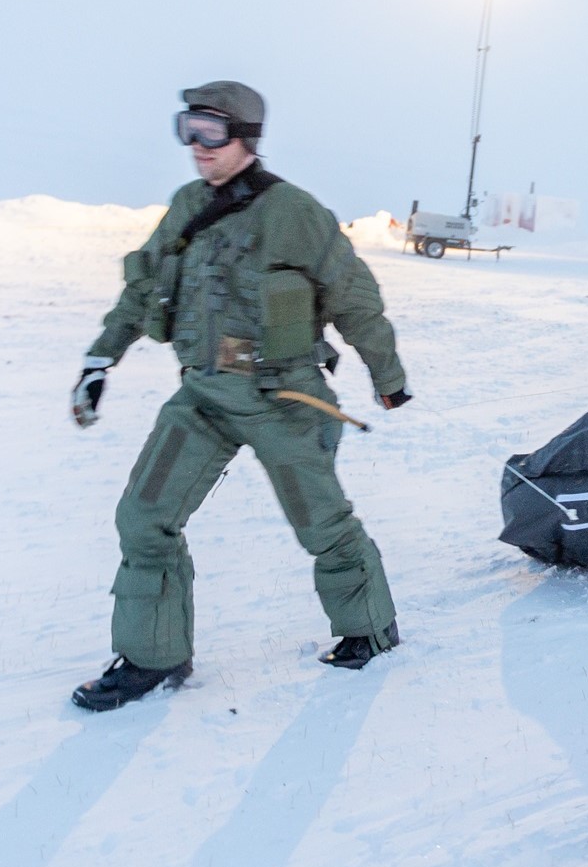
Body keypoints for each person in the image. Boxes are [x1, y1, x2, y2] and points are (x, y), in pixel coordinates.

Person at [65, 82, 414, 710]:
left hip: (284, 397)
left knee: (323, 525)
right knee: (144, 518)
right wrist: (101, 358)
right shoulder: (185, 205)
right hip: (201, 395)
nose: (196, 146)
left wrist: (387, 377)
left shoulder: (294, 212)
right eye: (187, 129)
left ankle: (369, 628)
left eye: (211, 132)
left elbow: (353, 297)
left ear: (246, 138)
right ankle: (153, 655)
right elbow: (143, 288)